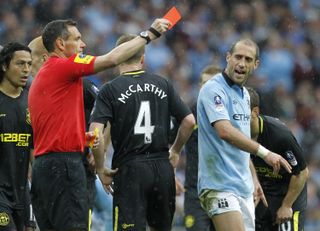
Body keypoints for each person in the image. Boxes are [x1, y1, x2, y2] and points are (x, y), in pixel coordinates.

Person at [28, 18, 170, 231]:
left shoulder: (46, 77)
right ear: (60, 44)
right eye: (77, 39)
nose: (83, 44)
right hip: (64, 167)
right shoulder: (63, 67)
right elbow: (112, 59)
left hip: (43, 168)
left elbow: (57, 129)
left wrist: (88, 143)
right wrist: (149, 34)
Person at [89, 34, 195, 231]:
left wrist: (101, 168)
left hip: (130, 170)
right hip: (162, 168)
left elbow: (95, 134)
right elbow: (189, 121)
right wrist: (176, 150)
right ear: (142, 58)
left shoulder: (109, 90)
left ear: (118, 56)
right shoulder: (162, 83)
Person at [197, 38, 292, 231]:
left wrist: (254, 179)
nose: (241, 63)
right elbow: (225, 132)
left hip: (244, 187)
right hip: (219, 184)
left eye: (248, 59)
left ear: (255, 65)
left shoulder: (245, 95)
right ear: (228, 57)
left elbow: (240, 144)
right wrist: (265, 153)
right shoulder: (213, 89)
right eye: (238, 57)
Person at [247, 87, 308, 231]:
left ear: (255, 112)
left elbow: (301, 173)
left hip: (288, 193)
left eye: (241, 113)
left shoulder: (280, 135)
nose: (236, 118)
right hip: (262, 194)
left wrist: (286, 205)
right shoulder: (235, 135)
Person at [0, 42, 34, 231]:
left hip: (23, 191)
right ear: (5, 66)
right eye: (20, 64)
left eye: (29, 64)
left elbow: (34, 149)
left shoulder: (33, 102)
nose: (26, 70)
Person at [184, 65, 220, 231]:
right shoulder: (188, 115)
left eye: (213, 84)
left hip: (224, 190)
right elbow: (166, 143)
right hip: (195, 192)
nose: (208, 88)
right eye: (205, 83)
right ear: (199, 86)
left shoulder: (231, 115)